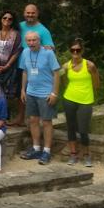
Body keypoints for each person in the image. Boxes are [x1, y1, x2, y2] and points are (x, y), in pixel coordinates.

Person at [18, 30, 61, 165]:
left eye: (34, 40)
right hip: (31, 92)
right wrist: (23, 90)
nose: (31, 43)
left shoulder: (48, 53)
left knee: (47, 122)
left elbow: (56, 73)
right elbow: (25, 71)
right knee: (33, 121)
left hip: (46, 94)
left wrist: (54, 93)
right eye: (29, 40)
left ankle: (46, 151)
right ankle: (36, 148)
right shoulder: (25, 52)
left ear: (39, 41)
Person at [61, 39, 99, 167]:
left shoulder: (90, 65)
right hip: (69, 99)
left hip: (85, 100)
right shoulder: (66, 66)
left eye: (78, 50)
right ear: (70, 51)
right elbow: (63, 80)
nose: (75, 52)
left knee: (83, 129)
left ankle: (87, 155)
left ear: (82, 50)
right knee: (71, 127)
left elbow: (97, 84)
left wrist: (88, 90)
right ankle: (73, 154)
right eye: (73, 50)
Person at [0, 10, 23, 125]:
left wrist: (7, 65)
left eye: (10, 19)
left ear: (12, 21)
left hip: (8, 69)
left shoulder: (15, 34)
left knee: (5, 95)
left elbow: (17, 51)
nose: (7, 20)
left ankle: (4, 118)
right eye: (4, 18)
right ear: (0, 19)